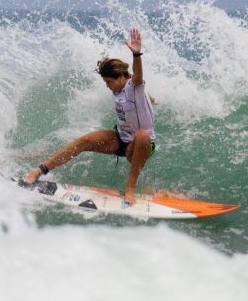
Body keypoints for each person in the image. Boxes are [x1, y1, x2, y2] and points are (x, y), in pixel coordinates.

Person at [24, 28, 156, 205]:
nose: (107, 86)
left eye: (108, 82)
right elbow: (142, 95)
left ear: (121, 77)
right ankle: (39, 171)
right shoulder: (122, 89)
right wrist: (151, 99)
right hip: (121, 140)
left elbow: (138, 78)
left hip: (140, 146)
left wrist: (137, 55)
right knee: (84, 141)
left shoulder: (134, 86)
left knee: (142, 135)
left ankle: (130, 189)